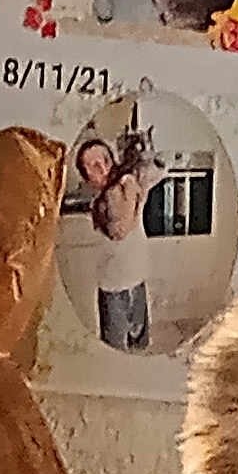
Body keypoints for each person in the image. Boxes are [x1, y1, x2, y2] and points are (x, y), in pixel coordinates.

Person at [75, 133, 164, 352]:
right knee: (115, 349)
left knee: (141, 345)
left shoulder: (127, 183)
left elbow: (158, 172)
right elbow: (119, 230)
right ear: (87, 177)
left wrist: (145, 156)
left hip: (138, 279)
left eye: (105, 159)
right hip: (113, 287)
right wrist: (129, 183)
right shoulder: (101, 202)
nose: (102, 167)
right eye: (92, 165)